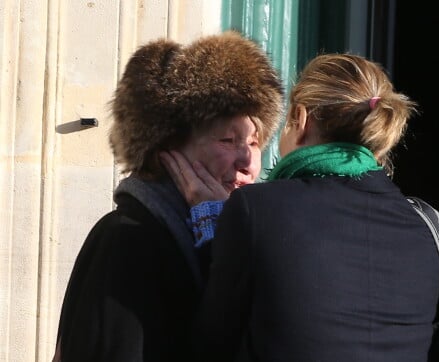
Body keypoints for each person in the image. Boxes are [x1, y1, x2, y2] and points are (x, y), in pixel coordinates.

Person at [178, 53, 439, 361]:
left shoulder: (257, 210)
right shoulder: (424, 227)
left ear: (300, 119)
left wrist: (212, 225)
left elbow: (210, 345)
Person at [52, 31, 283, 362]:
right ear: (169, 149)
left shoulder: (243, 240)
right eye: (227, 141)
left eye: (255, 142)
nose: (248, 162)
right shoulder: (127, 240)